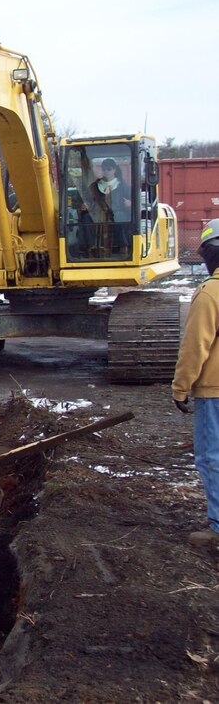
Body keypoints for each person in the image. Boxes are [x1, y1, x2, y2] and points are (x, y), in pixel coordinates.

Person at [172, 218, 219, 547]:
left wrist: (180, 387)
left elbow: (194, 348)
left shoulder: (209, 294)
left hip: (215, 391)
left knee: (212, 456)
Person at [86, 158, 132, 254]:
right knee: (87, 218)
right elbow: (87, 199)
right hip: (99, 213)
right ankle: (90, 246)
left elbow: (133, 199)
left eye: (109, 169)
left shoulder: (122, 185)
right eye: (104, 169)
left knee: (119, 218)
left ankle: (123, 246)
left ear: (114, 170)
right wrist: (85, 204)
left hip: (117, 211)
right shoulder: (94, 186)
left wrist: (130, 203)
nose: (106, 171)